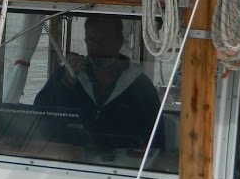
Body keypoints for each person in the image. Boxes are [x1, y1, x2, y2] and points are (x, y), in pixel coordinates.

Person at [34, 17, 163, 151]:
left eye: (103, 41)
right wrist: (66, 84)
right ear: (85, 41)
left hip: (124, 166)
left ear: (119, 42)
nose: (96, 47)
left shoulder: (140, 85)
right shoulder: (66, 74)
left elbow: (157, 139)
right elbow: (39, 114)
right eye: (91, 40)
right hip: (70, 160)